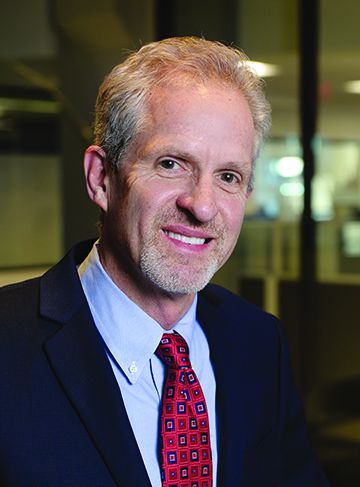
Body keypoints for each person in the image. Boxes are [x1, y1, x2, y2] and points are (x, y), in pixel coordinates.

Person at [0, 37, 328, 486]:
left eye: (229, 176)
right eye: (172, 163)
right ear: (101, 178)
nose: (203, 206)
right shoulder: (6, 346)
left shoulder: (257, 341)